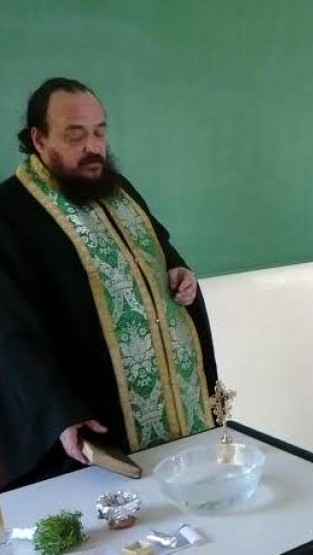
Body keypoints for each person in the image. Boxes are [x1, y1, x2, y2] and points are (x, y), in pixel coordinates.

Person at [0, 78, 218, 491]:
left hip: (178, 404)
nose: (93, 146)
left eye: (99, 132)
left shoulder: (117, 190)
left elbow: (158, 249)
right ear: (39, 139)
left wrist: (178, 271)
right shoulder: (9, 213)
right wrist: (58, 412)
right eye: (75, 135)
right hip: (96, 413)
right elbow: (10, 332)